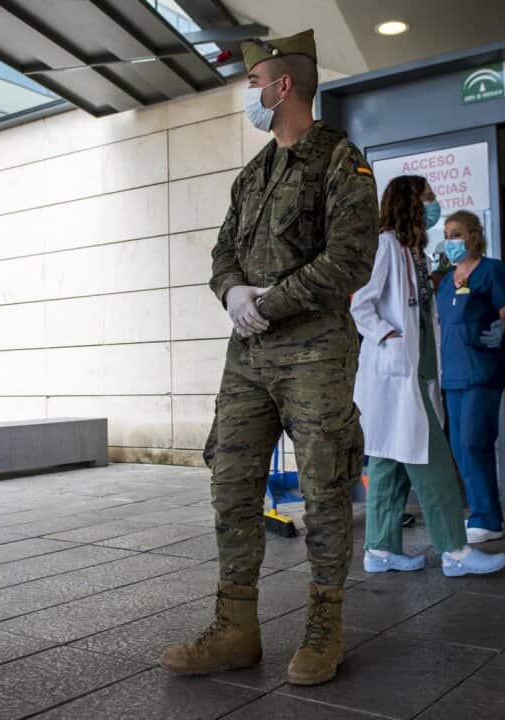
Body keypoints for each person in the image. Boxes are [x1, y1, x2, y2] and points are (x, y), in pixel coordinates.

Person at [159, 30, 379, 684]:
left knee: (324, 486)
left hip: (314, 354)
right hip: (248, 356)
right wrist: (232, 293)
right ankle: (235, 628)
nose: (248, 92)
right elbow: (223, 251)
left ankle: (324, 626)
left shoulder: (340, 160)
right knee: (231, 482)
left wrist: (270, 302)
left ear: (283, 86)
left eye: (254, 82)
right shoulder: (253, 173)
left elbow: (351, 259)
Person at [350, 175, 505, 578]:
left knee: (388, 463)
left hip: (416, 372)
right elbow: (360, 303)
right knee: (433, 460)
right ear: (410, 202)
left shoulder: (414, 253)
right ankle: (455, 550)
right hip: (397, 372)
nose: (434, 205)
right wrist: (387, 336)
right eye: (428, 197)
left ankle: (379, 549)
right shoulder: (386, 245)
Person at [435, 210, 505, 543]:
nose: (451, 241)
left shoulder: (491, 271)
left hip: (482, 369)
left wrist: (502, 326)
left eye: (457, 233)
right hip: (453, 373)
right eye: (447, 235)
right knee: (460, 447)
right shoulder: (446, 282)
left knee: (475, 440)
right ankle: (482, 513)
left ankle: (486, 517)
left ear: (474, 236)